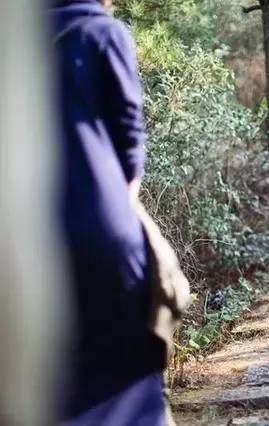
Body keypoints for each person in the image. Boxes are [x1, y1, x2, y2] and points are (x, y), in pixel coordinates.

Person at [50, 0, 170, 423]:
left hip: (25, 239)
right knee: (125, 386)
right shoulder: (101, 33)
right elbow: (129, 134)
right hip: (101, 225)